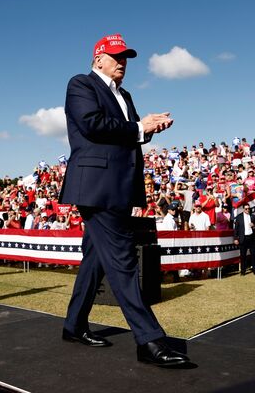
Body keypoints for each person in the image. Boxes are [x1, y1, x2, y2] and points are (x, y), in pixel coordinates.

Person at [58, 33, 189, 367]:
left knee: (96, 259)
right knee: (123, 261)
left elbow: (126, 135)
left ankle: (73, 326)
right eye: (116, 56)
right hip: (95, 188)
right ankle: (149, 340)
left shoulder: (124, 94)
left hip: (116, 186)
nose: (122, 62)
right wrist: (138, 127)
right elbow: (93, 125)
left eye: (126, 57)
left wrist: (148, 129)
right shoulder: (81, 84)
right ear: (98, 57)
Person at [234, 204, 255, 275]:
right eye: (246, 209)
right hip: (243, 238)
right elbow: (236, 229)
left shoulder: (253, 216)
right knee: (243, 255)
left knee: (253, 255)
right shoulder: (239, 217)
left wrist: (254, 225)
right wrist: (236, 238)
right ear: (243, 209)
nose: (247, 210)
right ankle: (243, 271)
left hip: (251, 237)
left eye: (248, 208)